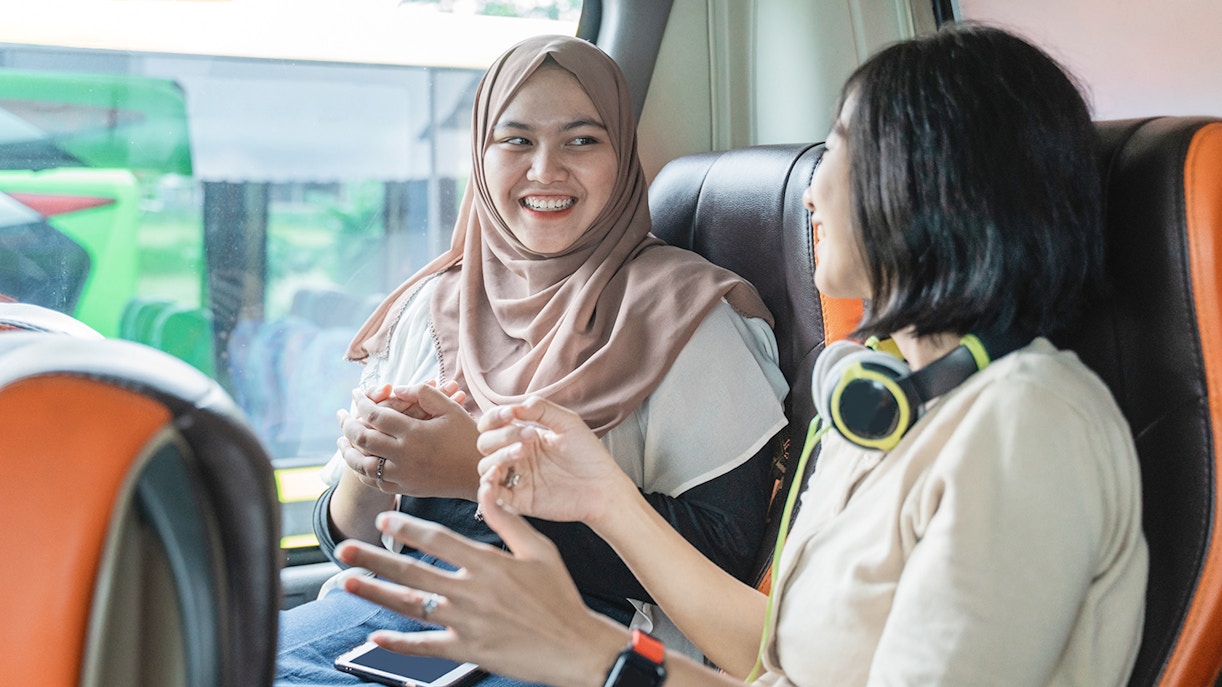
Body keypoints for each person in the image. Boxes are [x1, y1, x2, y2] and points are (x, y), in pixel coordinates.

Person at [331, 24, 1149, 687]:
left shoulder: (1026, 424)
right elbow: (775, 660)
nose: (816, 187)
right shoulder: (895, 401)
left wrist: (597, 657)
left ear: (932, 183)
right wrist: (602, 498)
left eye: (840, 151)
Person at [275, 35, 790, 685]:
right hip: (409, 618)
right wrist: (369, 466)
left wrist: (478, 477)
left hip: (592, 637)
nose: (546, 169)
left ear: (622, 155)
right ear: (480, 157)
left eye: (582, 141)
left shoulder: (688, 315)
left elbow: (726, 551)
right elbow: (348, 540)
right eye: (515, 140)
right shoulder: (432, 306)